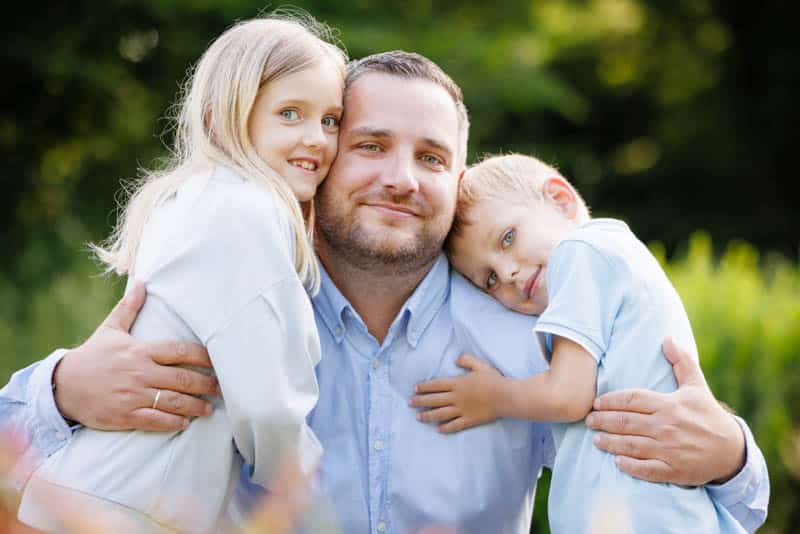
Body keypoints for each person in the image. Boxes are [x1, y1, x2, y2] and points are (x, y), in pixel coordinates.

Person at [1, 51, 769, 534]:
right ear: (319, 156)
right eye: (369, 146)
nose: (400, 178)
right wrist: (66, 391)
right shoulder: (237, 299)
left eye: (432, 157)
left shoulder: (526, 336)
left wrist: (729, 456)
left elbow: (719, 502)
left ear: (457, 179)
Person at [13, 14, 347, 534]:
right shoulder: (243, 209)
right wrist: (317, 504)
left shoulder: (205, 199)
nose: (317, 139)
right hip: (115, 509)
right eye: (290, 113)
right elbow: (269, 408)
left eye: (330, 120)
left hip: (98, 499)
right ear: (222, 118)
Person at [410, 154, 748, 532]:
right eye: (488, 280)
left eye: (507, 238)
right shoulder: (599, 273)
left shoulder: (582, 251)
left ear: (560, 199)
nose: (506, 273)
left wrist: (493, 397)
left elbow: (567, 396)